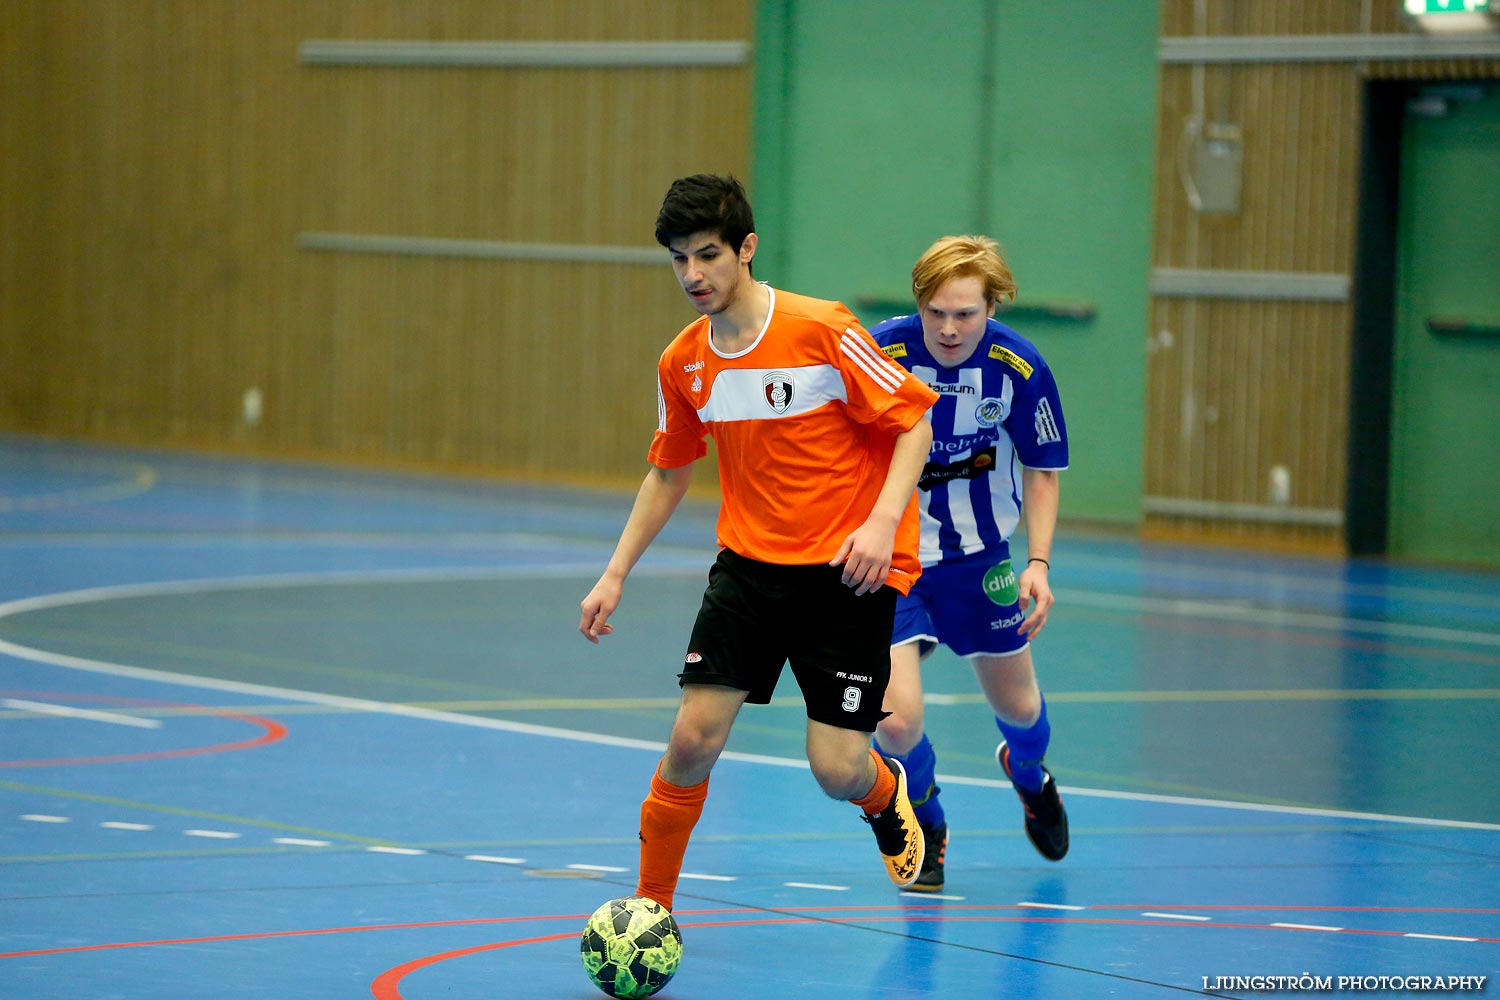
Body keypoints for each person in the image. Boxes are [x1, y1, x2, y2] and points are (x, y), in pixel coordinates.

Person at [578, 174, 940, 912]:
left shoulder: (824, 330)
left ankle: (881, 793)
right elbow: (668, 473)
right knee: (692, 739)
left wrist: (879, 523)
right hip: (748, 572)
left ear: (746, 249)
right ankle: (651, 909)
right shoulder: (683, 362)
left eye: (707, 255)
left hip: (848, 577)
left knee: (835, 768)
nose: (693, 275)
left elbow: (914, 423)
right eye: (679, 260)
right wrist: (614, 573)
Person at [868, 235, 1071, 893]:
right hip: (891, 561)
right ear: (918, 305)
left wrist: (1037, 562)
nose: (950, 329)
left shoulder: (1018, 365)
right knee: (893, 723)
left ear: (993, 306)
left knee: (1022, 713)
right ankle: (926, 819)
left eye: (966, 314)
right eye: (936, 312)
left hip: (980, 559)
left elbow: (1042, 471)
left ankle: (1030, 777)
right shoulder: (881, 354)